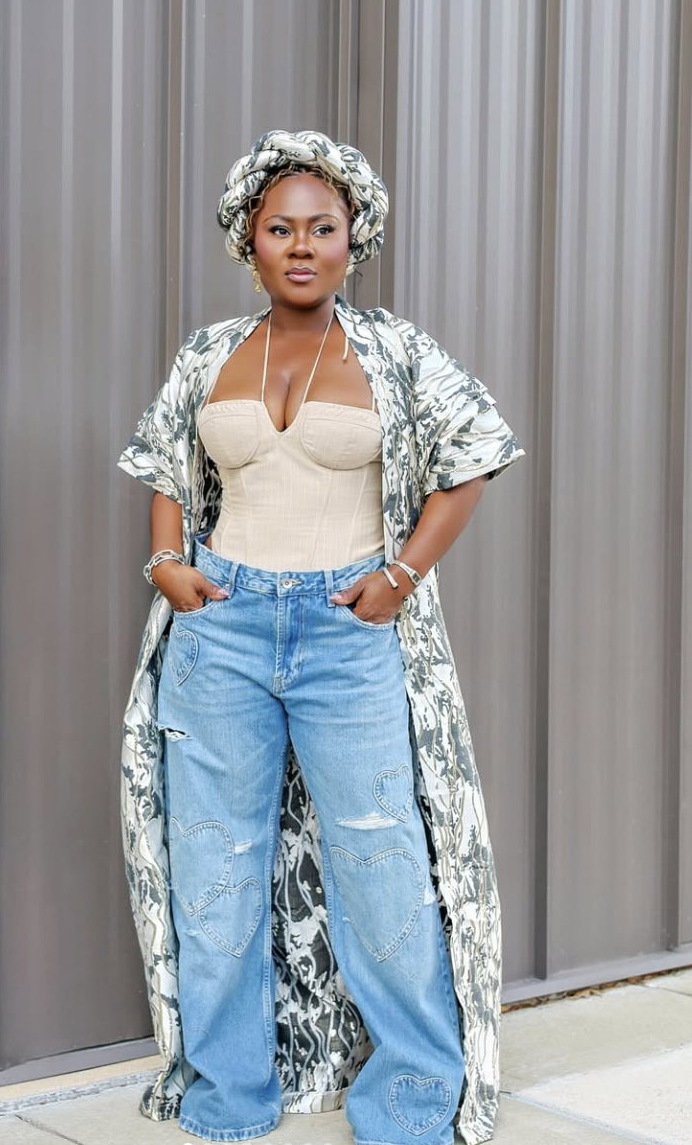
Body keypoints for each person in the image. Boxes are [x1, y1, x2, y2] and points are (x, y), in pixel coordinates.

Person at [117, 128, 525, 1145]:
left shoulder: (395, 350)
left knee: (380, 863)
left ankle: (412, 1103)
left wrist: (399, 578)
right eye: (280, 228)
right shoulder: (209, 353)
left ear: (355, 238)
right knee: (214, 869)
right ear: (248, 240)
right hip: (221, 630)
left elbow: (474, 454)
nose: (301, 246)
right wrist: (167, 562)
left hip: (348, 631)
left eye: (323, 228)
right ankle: (229, 1096)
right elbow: (167, 466)